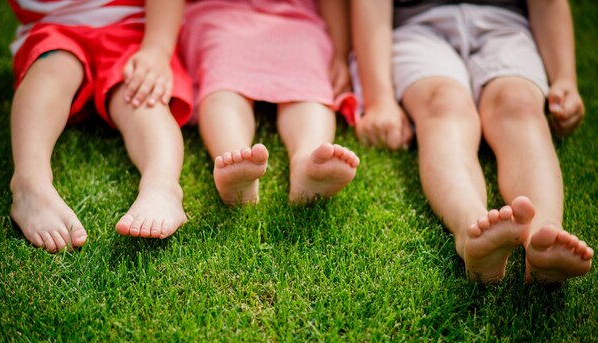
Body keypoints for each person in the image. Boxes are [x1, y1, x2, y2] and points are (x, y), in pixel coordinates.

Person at [351, 0, 593, 284]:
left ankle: (546, 232)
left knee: (519, 104)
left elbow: (548, 3)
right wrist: (380, 99)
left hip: (505, 25)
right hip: (418, 27)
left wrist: (565, 78)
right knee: (443, 105)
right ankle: (472, 228)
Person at [8, 0, 193, 253]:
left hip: (128, 29)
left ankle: (162, 185)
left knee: (141, 96)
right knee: (50, 74)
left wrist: (157, 49)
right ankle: (30, 183)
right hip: (52, 31)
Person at [180, 0, 360, 205]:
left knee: (308, 77)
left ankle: (308, 161)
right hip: (220, 13)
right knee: (223, 80)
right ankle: (233, 156)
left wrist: (339, 54)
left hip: (296, 19)